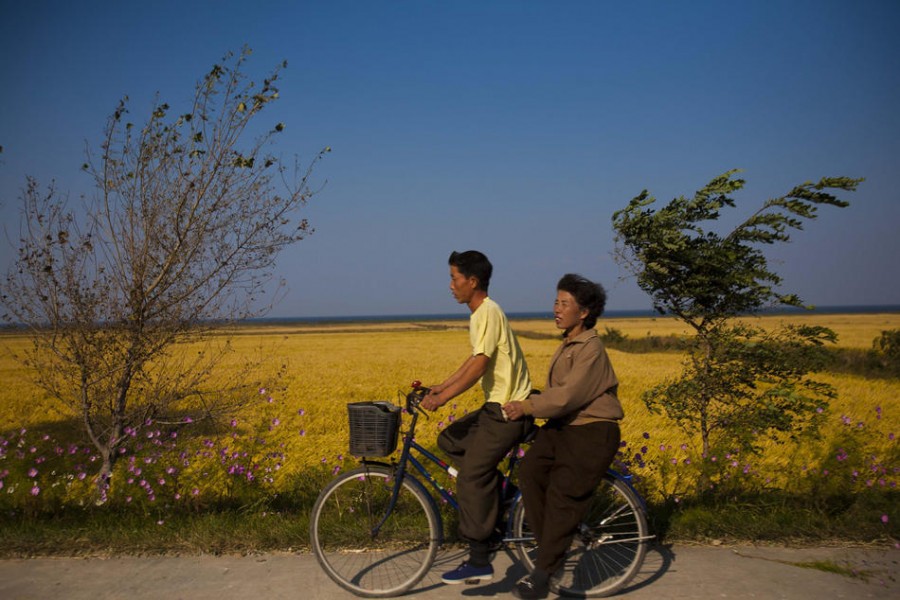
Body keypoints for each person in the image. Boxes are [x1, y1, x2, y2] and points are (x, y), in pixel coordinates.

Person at [502, 273, 623, 600]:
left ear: (583, 312)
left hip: (592, 429)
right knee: (530, 473)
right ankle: (551, 550)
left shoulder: (591, 348)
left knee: (562, 495)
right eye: (556, 301)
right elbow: (559, 396)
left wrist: (527, 407)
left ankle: (542, 575)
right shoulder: (568, 343)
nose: (556, 308)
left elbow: (569, 395)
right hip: (565, 426)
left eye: (564, 303)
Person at [420, 250, 533, 585]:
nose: (451, 285)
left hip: (508, 412)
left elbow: (480, 365)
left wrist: (443, 399)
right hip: (494, 407)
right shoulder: (481, 313)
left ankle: (479, 559)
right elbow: (473, 361)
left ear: (473, 281)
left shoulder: (487, 311)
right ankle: (505, 495)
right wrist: (440, 387)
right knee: (449, 440)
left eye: (455, 278)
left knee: (469, 477)